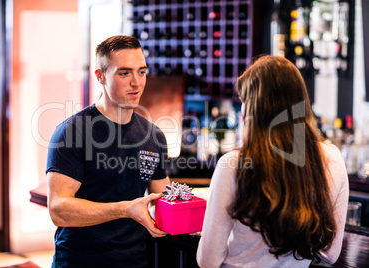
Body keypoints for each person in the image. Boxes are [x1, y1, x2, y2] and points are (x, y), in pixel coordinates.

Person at [196, 55, 349, 267]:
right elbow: (330, 253)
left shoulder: (232, 165)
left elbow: (208, 261)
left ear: (255, 110)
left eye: (244, 101)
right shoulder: (332, 159)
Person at [46, 35, 170, 267]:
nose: (137, 82)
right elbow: (58, 210)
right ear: (100, 76)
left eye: (141, 71)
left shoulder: (153, 136)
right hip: (79, 261)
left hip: (135, 260)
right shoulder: (72, 132)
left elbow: (162, 199)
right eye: (124, 73)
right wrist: (126, 209)